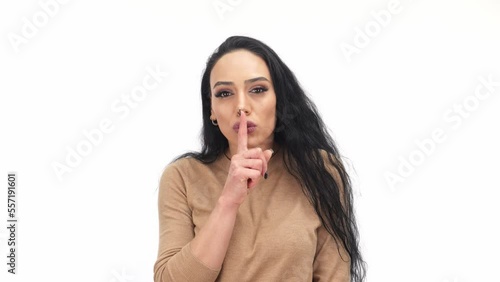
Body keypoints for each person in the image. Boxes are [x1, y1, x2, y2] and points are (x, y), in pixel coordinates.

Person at [154, 35, 366, 282]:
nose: (241, 106)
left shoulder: (320, 169)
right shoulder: (182, 176)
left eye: (258, 89)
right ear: (211, 109)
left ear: (279, 99)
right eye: (224, 93)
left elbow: (333, 276)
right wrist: (228, 202)